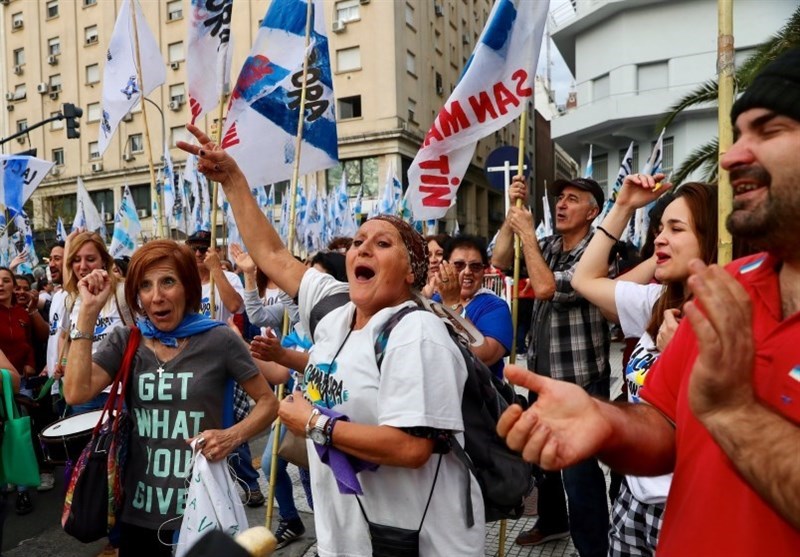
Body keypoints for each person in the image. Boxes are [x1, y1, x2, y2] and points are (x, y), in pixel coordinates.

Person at [498, 47, 800, 556]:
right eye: (738, 133)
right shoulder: (727, 289)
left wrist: (732, 411)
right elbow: (664, 428)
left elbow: (563, 283)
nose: (731, 156)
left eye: (767, 131)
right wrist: (605, 422)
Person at [179, 125, 486, 556]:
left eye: (383, 244)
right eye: (358, 241)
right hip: (349, 539)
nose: (363, 249)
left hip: (418, 542)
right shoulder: (335, 311)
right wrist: (231, 179)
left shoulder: (417, 332)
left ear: (412, 271)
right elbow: (273, 255)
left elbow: (413, 447)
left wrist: (313, 424)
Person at [63, 240, 277, 556]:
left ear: (188, 288)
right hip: (139, 514)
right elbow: (75, 391)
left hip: (204, 506)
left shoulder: (219, 339)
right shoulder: (126, 340)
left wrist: (233, 436)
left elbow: (268, 403)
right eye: (145, 286)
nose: (157, 296)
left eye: (168, 282)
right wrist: (87, 313)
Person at [572, 178, 718, 555]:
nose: (658, 238)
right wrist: (623, 206)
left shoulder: (730, 320)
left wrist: (680, 358)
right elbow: (584, 279)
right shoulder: (656, 302)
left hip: (691, 510)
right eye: (658, 228)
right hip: (633, 502)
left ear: (712, 237)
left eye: (675, 228)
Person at [491, 176, 610, 555]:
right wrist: (514, 217)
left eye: (572, 200)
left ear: (592, 212)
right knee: (544, 460)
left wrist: (527, 231)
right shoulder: (551, 245)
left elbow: (545, 287)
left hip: (579, 381)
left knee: (580, 472)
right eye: (559, 198)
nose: (560, 205)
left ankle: (593, 548)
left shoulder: (596, 251)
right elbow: (499, 259)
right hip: (543, 375)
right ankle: (554, 522)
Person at [59, 232, 133, 415]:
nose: (82, 266)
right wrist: (66, 364)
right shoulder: (72, 299)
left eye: (90, 259)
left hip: (119, 393)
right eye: (76, 260)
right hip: (84, 395)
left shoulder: (125, 291)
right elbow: (68, 337)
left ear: (104, 262)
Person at [433, 235, 512, 379]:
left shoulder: (495, 307)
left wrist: (453, 305)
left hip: (477, 397)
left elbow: (484, 356)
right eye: (459, 265)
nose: (467, 271)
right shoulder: (434, 300)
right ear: (444, 267)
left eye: (475, 266)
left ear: (484, 271)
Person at [0, 267, 37, 515]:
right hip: (2, 388)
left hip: (19, 382)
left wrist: (30, 363)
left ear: (15, 285)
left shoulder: (24, 312)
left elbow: (31, 343)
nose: (1, 285)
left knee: (20, 432)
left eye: (5, 281)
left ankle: (23, 490)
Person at [421, 233, 449, 299]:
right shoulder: (414, 290)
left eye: (439, 254)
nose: (433, 260)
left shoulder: (461, 291)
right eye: (428, 255)